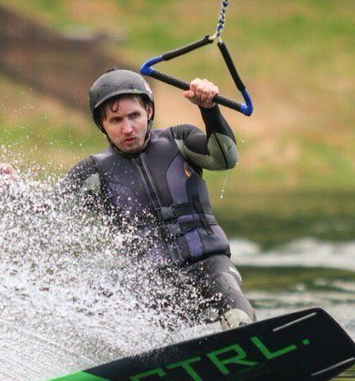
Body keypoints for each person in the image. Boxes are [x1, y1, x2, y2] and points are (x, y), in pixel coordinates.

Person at [60, 68, 255, 330]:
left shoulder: (179, 140)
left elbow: (225, 158)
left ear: (149, 112)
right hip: (153, 284)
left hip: (210, 265)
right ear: (102, 125)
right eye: (116, 120)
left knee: (230, 300)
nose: (128, 128)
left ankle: (245, 336)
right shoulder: (93, 172)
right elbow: (49, 209)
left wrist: (209, 109)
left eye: (134, 115)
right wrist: (11, 190)